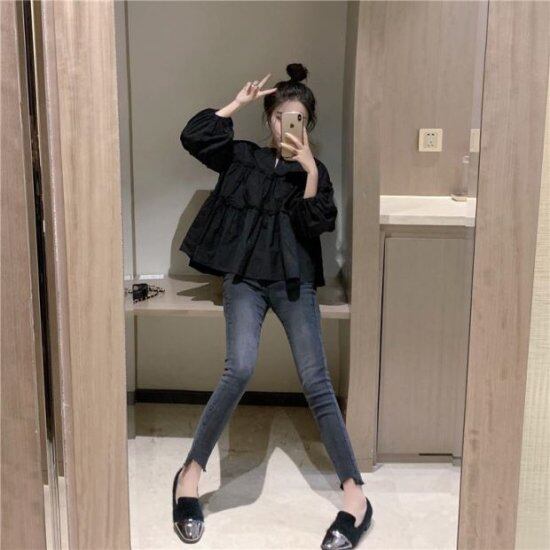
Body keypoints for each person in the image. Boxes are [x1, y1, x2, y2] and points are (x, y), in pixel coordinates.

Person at [171, 63, 373, 548]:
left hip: (294, 283)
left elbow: (314, 225)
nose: (288, 127)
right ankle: (189, 475)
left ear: (308, 124)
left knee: (316, 380)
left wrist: (309, 171)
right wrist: (236, 103)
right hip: (245, 281)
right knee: (239, 368)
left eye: (297, 118)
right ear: (269, 120)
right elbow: (194, 136)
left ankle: (356, 496)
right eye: (281, 117)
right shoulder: (243, 158)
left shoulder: (315, 173)